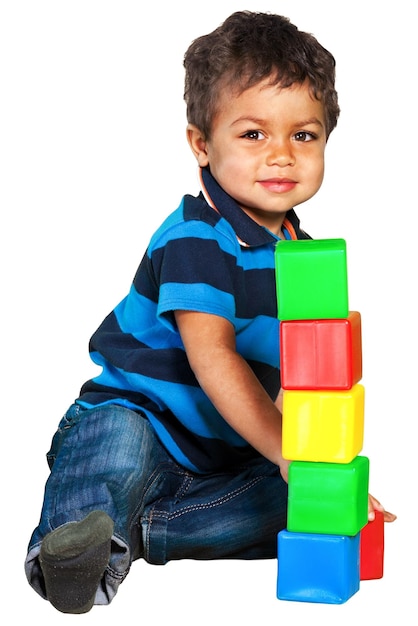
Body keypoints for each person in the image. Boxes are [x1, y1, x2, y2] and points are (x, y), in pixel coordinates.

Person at [25, 10, 396, 614]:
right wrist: (285, 448)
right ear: (202, 144)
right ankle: (72, 552)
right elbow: (213, 356)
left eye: (303, 136)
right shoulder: (197, 237)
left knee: (297, 506)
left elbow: (304, 381)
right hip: (139, 418)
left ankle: (149, 531)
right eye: (254, 135)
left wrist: (324, 478)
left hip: (218, 459)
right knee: (112, 452)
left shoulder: (305, 259)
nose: (281, 155)